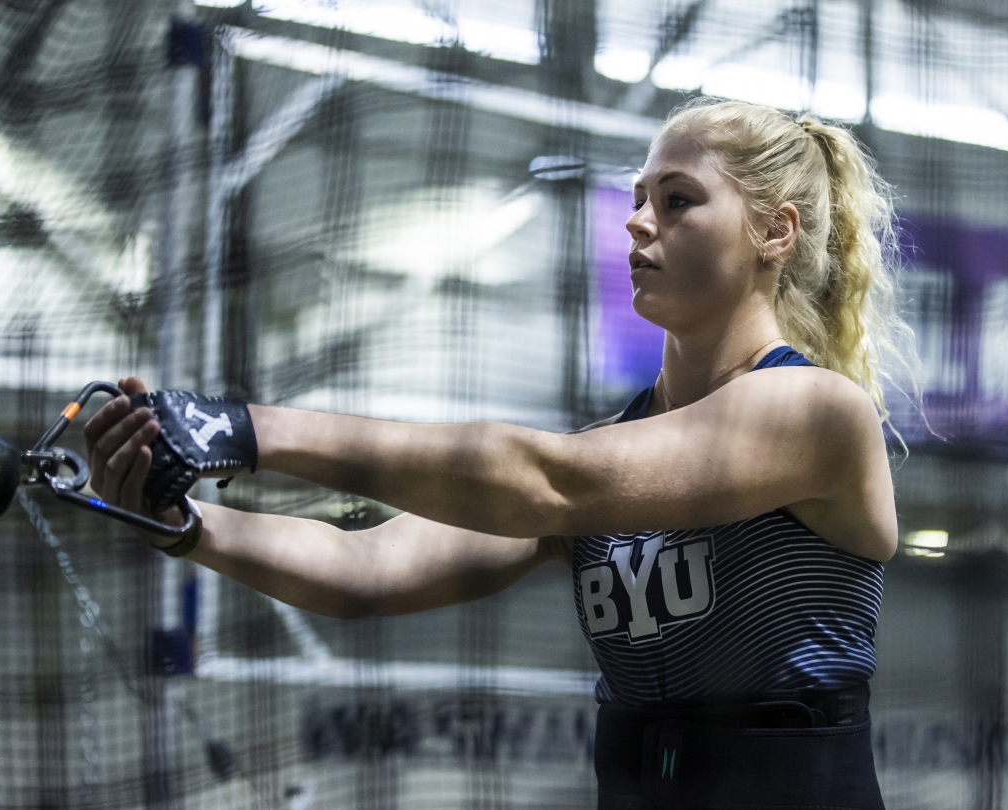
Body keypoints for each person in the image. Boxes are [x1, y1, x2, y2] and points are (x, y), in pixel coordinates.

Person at [86, 98, 910, 809]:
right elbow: (364, 571)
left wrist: (246, 429)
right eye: (637, 197)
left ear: (774, 232)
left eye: (678, 198)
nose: (636, 218)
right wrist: (181, 525)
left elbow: (544, 481)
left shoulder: (817, 412)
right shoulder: (605, 464)